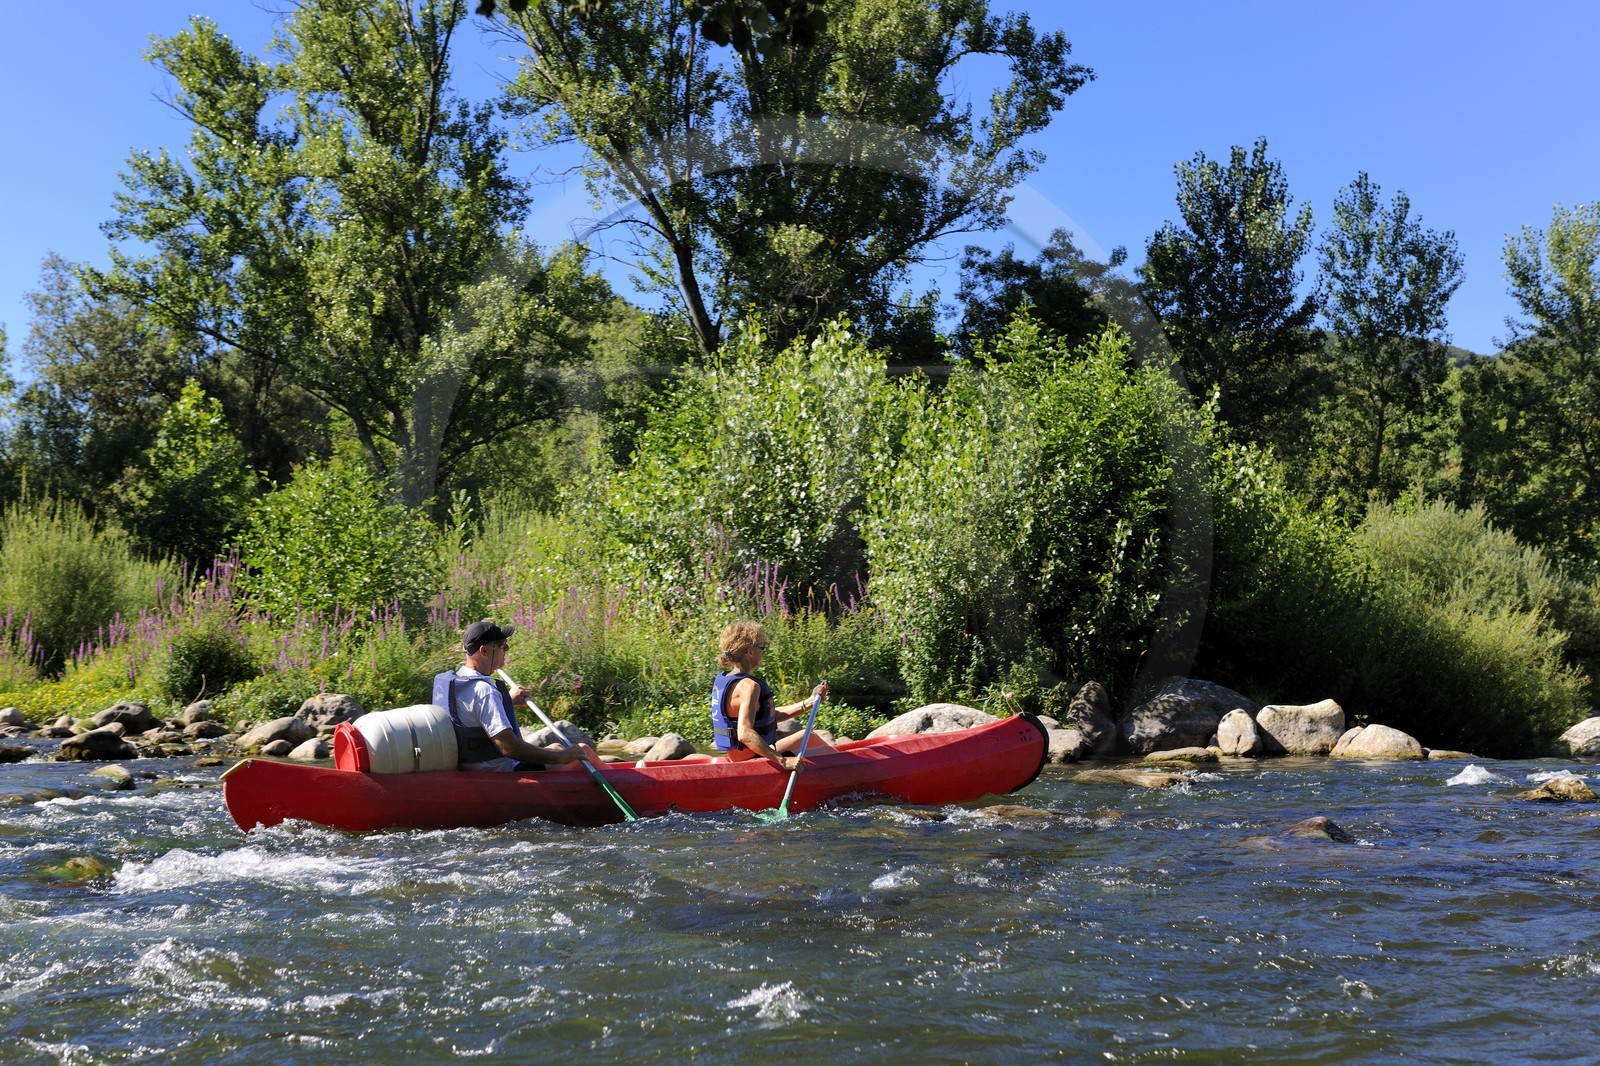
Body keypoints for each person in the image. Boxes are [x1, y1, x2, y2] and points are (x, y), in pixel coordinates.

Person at [433, 619, 598, 772]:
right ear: (484, 651)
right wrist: (560, 758)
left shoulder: (458, 683)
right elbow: (509, 748)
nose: (506, 650)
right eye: (502, 645)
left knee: (556, 746)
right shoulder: (485, 691)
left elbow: (472, 718)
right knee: (582, 750)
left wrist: (507, 702)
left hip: (473, 767)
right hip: (503, 771)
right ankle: (618, 783)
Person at [710, 620, 830, 770]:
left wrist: (810, 702)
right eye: (762, 647)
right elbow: (744, 733)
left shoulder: (727, 679)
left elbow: (770, 715)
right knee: (819, 746)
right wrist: (783, 761)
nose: (764, 651)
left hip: (743, 756)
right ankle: (854, 775)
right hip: (752, 759)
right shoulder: (750, 687)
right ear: (750, 652)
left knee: (811, 739)